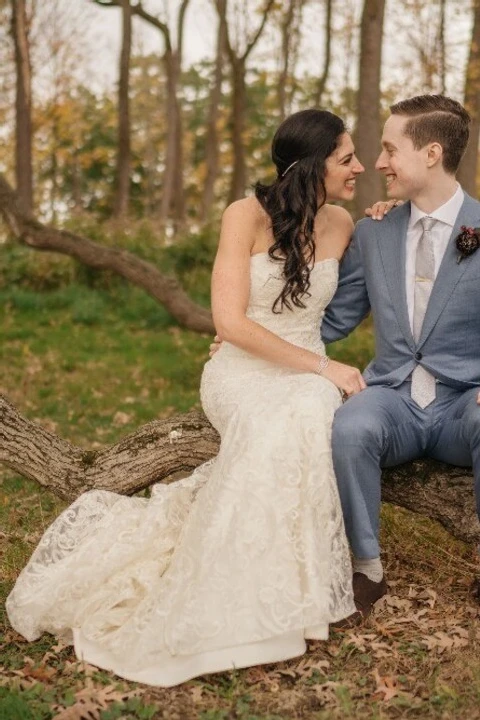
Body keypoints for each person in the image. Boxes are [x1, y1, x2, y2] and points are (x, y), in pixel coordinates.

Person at [7, 109, 372, 687]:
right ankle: (232, 592)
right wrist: (324, 367)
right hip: (242, 371)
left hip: (303, 367)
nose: (358, 168)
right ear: (312, 165)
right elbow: (229, 320)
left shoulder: (344, 222)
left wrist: (383, 219)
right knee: (296, 409)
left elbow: (351, 290)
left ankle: (286, 589)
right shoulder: (243, 216)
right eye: (346, 158)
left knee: (306, 410)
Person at [323, 94, 480, 622]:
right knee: (350, 426)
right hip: (391, 398)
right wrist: (255, 334)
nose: (380, 161)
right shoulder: (373, 231)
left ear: (431, 153)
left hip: (464, 404)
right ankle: (367, 570)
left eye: (391, 148)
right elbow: (334, 320)